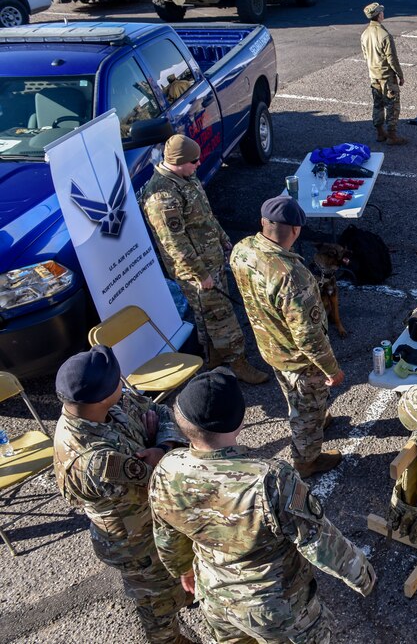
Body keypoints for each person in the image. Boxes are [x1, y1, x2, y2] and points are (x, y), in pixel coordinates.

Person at [149, 369, 376, 642]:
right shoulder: (271, 479)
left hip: (215, 597)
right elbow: (318, 541)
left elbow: (167, 534)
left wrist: (184, 569)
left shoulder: (167, 469)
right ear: (239, 422)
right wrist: (361, 574)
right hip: (276, 608)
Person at [52, 345, 194, 644]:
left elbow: (159, 411)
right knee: (158, 602)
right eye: (119, 380)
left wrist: (163, 445)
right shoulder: (94, 460)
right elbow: (161, 477)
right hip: (137, 542)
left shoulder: (100, 405)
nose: (124, 383)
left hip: (153, 521)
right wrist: (160, 447)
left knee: (177, 580)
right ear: (102, 396)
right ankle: (168, 639)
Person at [229, 197, 345, 478]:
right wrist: (332, 369)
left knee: (294, 393)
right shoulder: (293, 276)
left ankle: (318, 418)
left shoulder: (242, 250)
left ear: (263, 223)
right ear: (296, 230)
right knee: (307, 399)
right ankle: (306, 459)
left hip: (270, 345)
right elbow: (309, 337)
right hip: (297, 357)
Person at [140, 134, 268, 385]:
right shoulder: (162, 198)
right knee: (221, 316)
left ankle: (215, 356)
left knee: (208, 315)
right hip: (198, 270)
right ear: (177, 161)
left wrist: (222, 239)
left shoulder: (185, 177)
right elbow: (175, 245)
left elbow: (204, 215)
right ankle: (238, 362)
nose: (199, 164)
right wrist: (200, 274)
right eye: (194, 161)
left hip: (211, 259)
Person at [360, 2, 408, 146]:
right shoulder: (384, 35)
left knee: (377, 104)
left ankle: (380, 132)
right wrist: (400, 75)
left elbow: (365, 55)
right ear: (379, 15)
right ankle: (392, 135)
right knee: (392, 105)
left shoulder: (364, 34)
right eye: (381, 12)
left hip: (373, 74)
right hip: (386, 76)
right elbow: (392, 59)